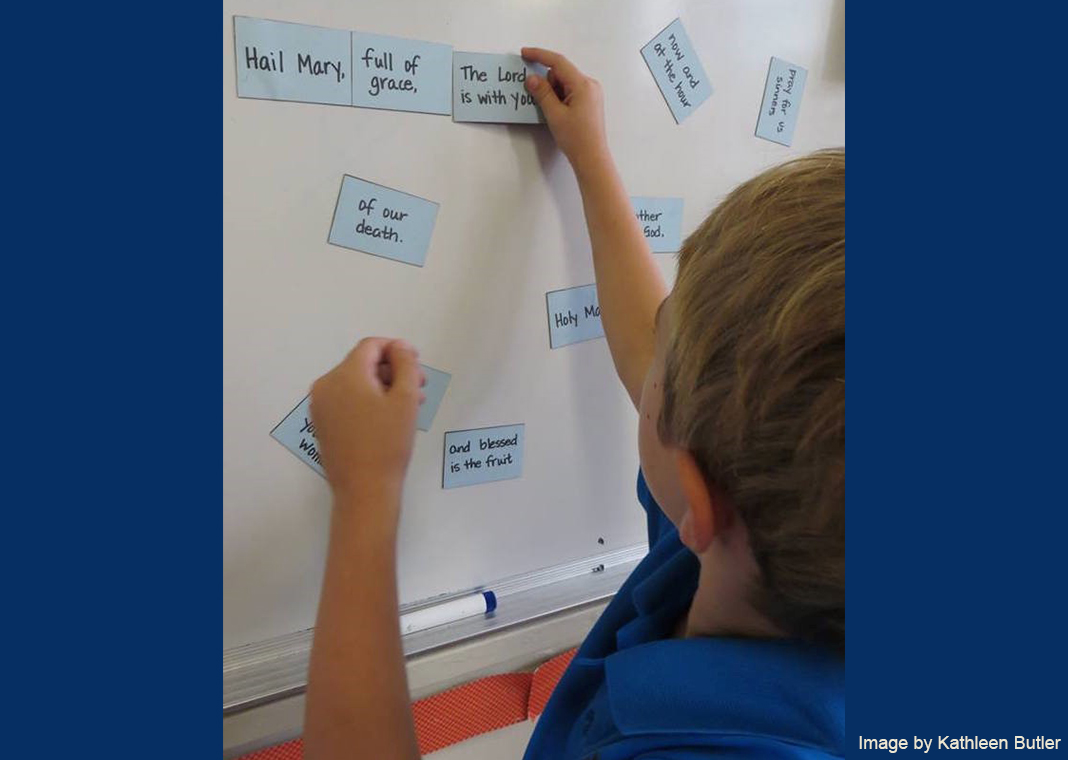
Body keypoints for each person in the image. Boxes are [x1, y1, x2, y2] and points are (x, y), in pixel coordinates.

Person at [302, 47, 845, 760]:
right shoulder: (773, 547)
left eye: (665, 360)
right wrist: (589, 157)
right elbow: (652, 357)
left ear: (698, 493)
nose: (649, 359)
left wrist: (364, 496)